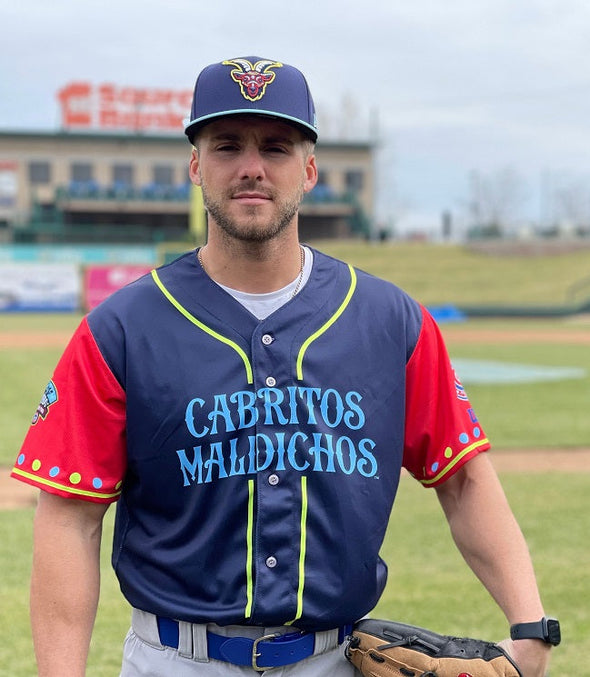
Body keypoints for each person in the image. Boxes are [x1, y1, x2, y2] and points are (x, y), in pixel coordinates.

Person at [12, 56, 556, 677]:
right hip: (173, 660)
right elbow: (69, 521)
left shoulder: (391, 322)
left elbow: (463, 477)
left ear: (311, 168)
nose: (251, 168)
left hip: (335, 659)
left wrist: (531, 625)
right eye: (226, 146)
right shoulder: (121, 330)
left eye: (276, 146)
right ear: (195, 165)